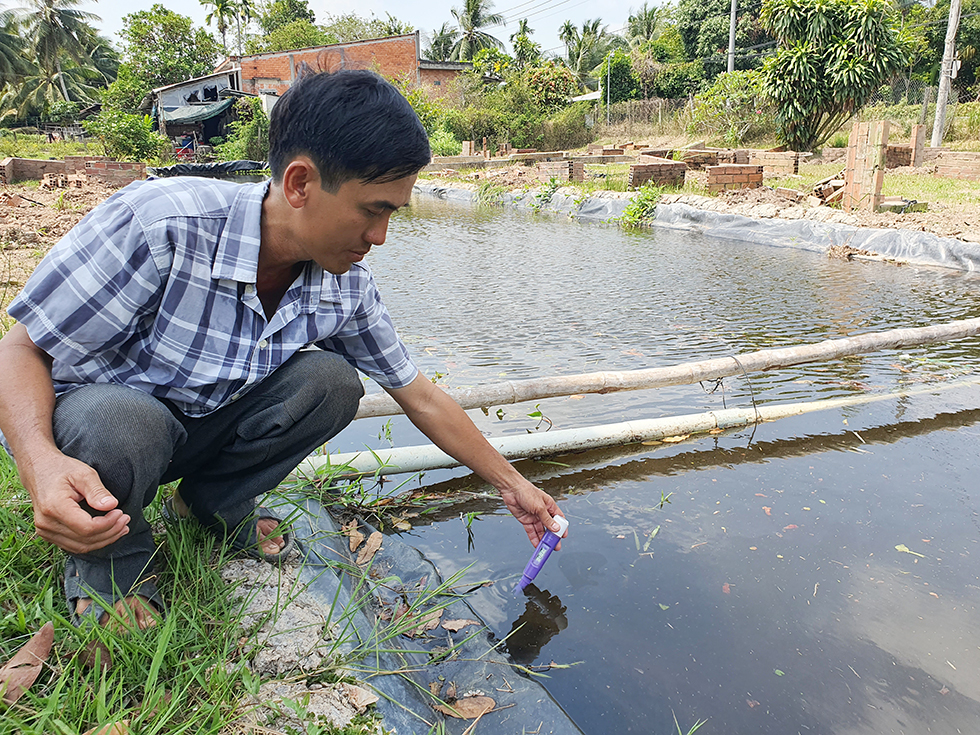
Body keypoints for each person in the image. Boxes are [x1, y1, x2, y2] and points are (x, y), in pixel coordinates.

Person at [0, 70, 564, 630]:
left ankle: (209, 507)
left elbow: (419, 395)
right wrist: (40, 464)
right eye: (374, 209)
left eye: (394, 213)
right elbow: (20, 349)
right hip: (104, 434)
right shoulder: (162, 224)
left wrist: (514, 486)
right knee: (120, 420)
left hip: (197, 426)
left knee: (332, 383)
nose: (381, 236)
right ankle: (109, 573)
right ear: (299, 185)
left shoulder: (344, 284)